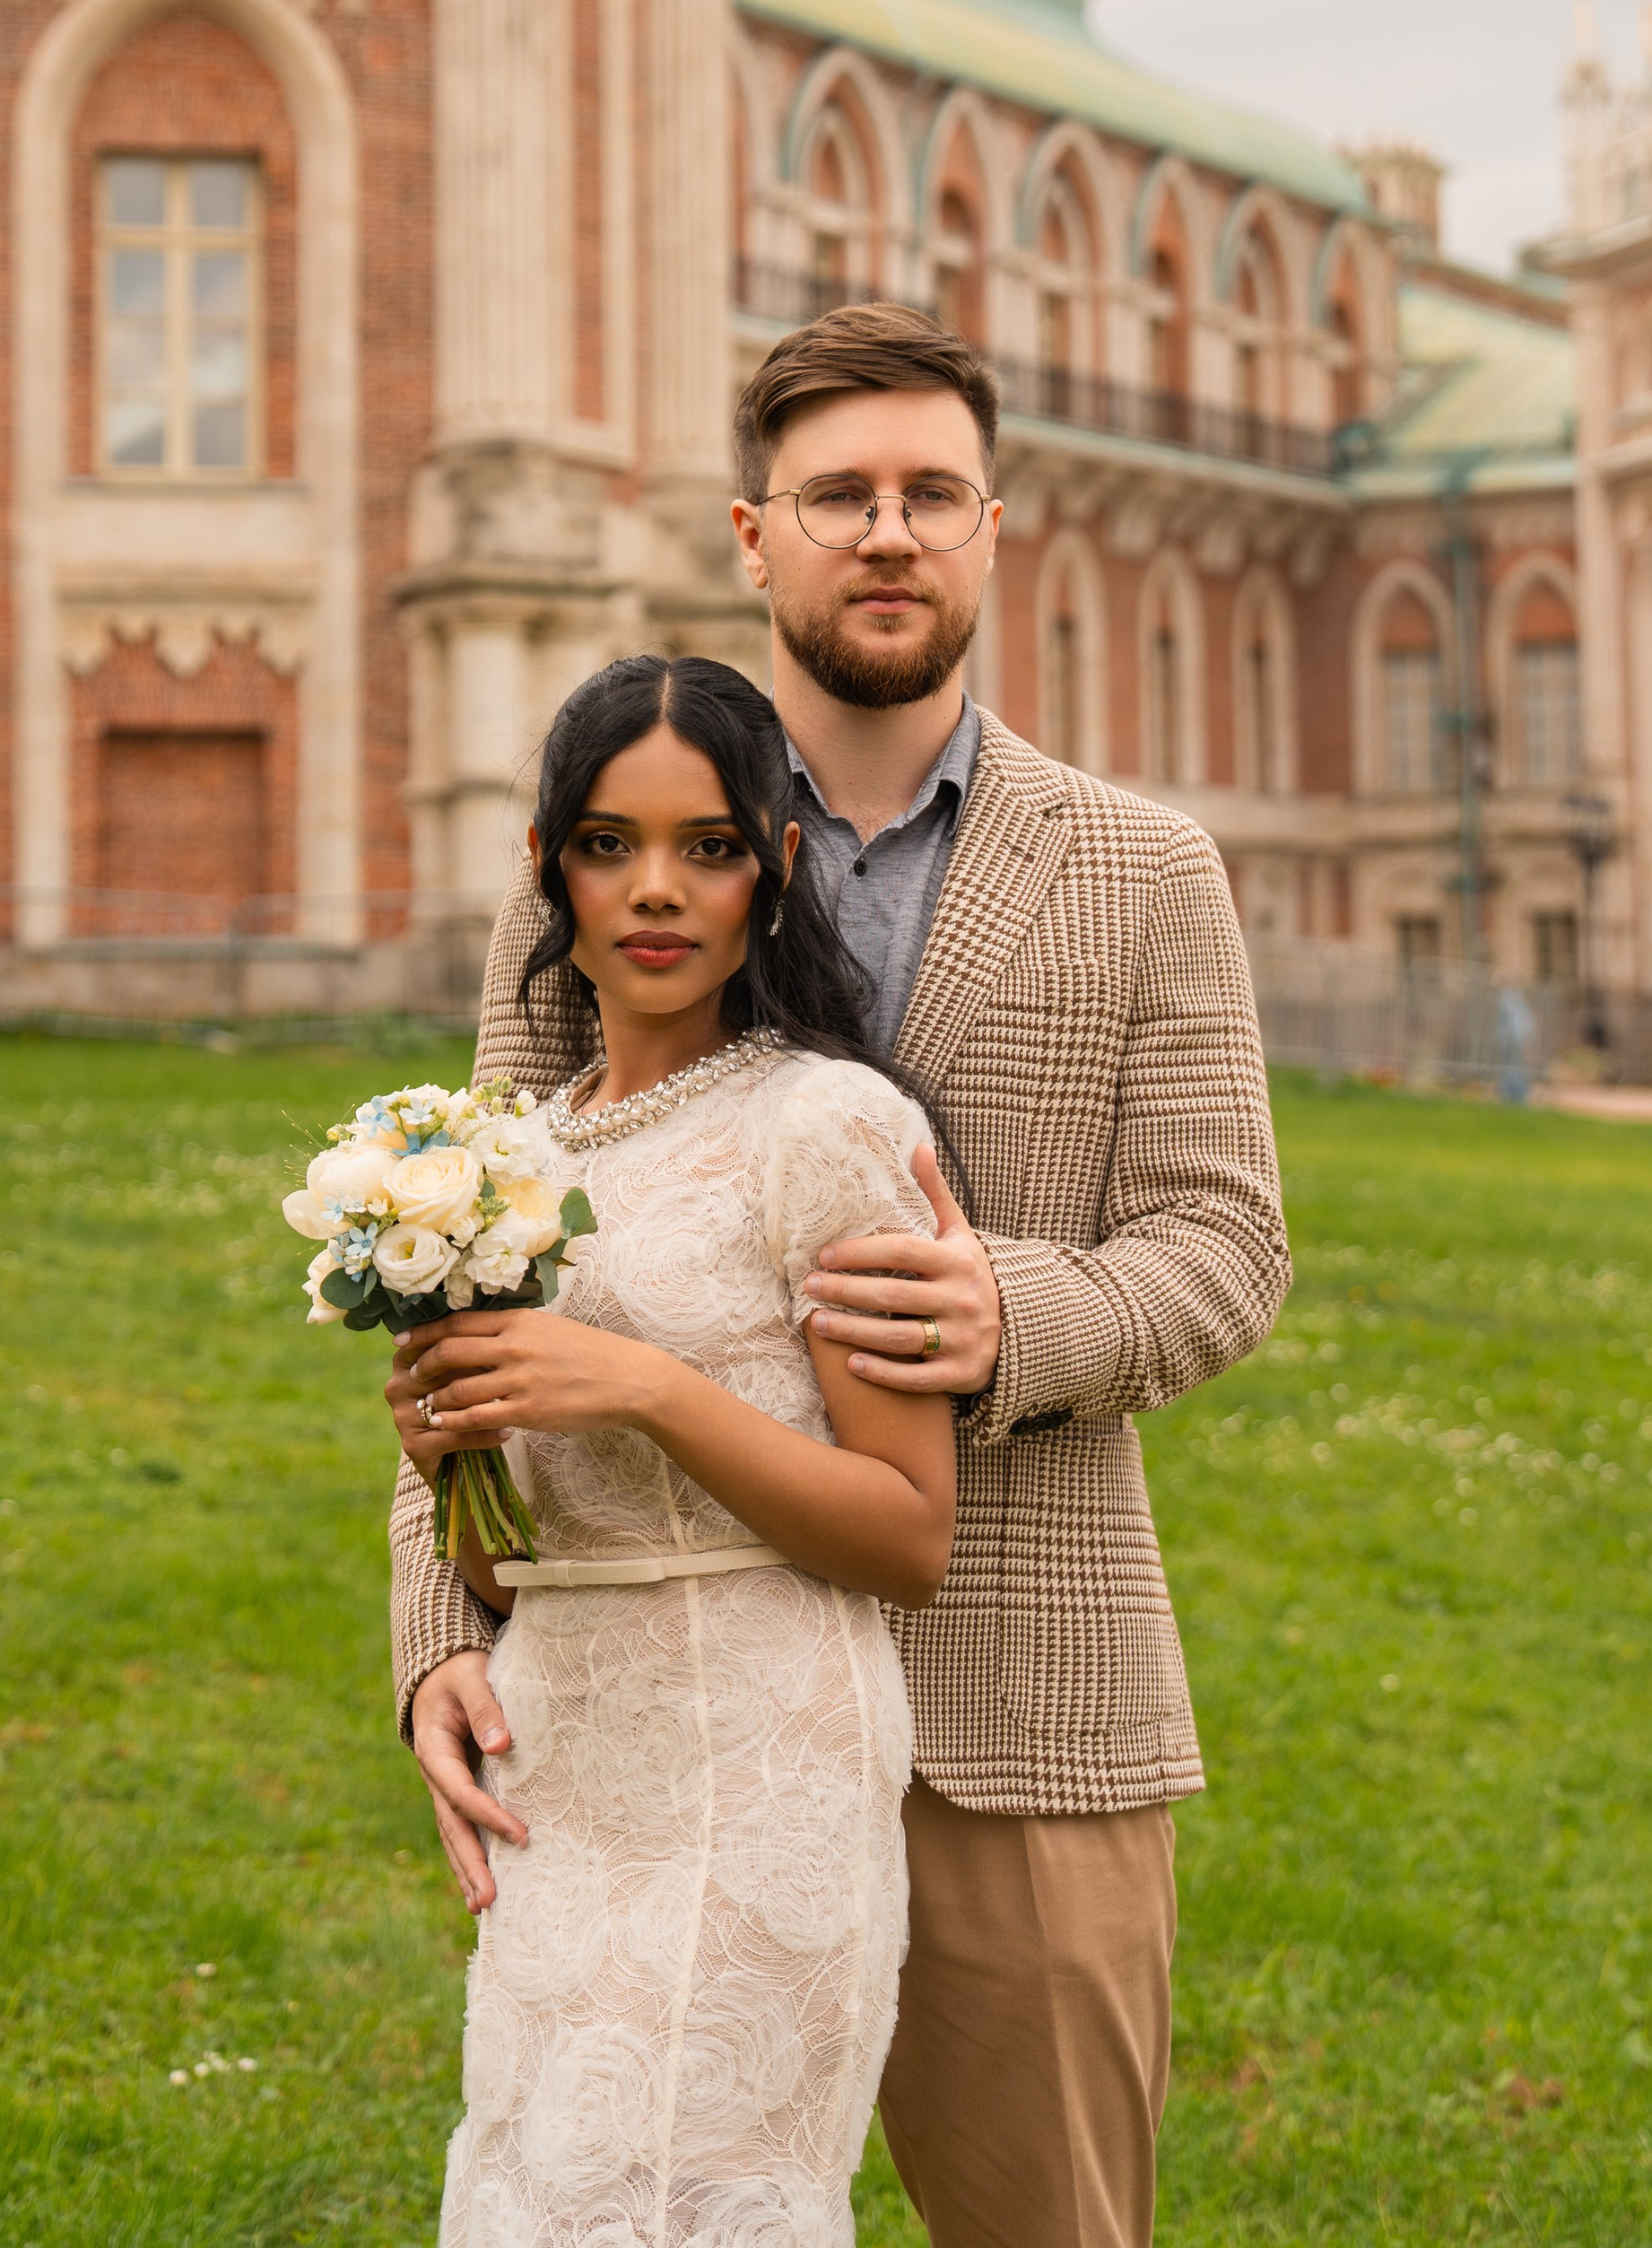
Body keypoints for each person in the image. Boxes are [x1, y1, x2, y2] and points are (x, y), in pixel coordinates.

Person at [393, 301, 1292, 2248]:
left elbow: (1226, 1245)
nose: (882, 533)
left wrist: (1010, 1319)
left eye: (925, 494)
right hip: (657, 1734)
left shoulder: (1142, 868)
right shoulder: (608, 853)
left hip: (1019, 1716)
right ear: (749, 535)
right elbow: (456, 1271)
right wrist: (432, 1638)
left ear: (990, 528)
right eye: (835, 497)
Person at [388, 649, 957, 2246]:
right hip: (562, 1756)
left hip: (765, 1755)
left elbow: (912, 1533)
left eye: (708, 846)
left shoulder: (827, 1127)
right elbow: (512, 1556)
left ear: (774, 867)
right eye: (609, 843)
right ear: (548, 868)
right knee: (537, 2188)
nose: (657, 890)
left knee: (676, 2202)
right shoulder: (517, 1157)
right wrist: (450, 1461)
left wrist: (643, 1388)